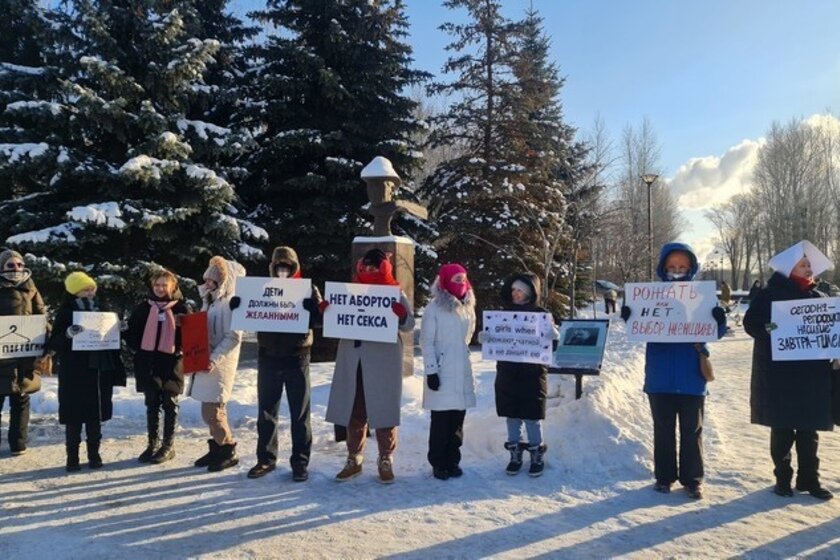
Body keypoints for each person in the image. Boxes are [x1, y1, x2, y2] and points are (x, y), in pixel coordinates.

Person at [620, 242, 727, 499]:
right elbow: (639, 327)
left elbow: (716, 333)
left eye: (682, 267)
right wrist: (630, 316)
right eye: (671, 267)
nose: (676, 271)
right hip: (660, 377)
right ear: (663, 268)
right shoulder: (651, 295)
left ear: (691, 268)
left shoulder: (701, 296)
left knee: (692, 431)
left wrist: (718, 319)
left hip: (691, 376)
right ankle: (664, 477)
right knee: (663, 430)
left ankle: (692, 479)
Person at [743, 240, 834, 500]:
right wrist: (773, 329)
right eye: (803, 264)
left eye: (810, 265)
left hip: (812, 376)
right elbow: (752, 324)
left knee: (809, 431)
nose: (809, 269)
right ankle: (783, 479)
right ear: (789, 268)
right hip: (780, 375)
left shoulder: (819, 297)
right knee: (782, 430)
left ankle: (809, 480)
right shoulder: (770, 294)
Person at [325, 248, 415, 484]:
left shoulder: (394, 292)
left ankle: (386, 458)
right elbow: (337, 319)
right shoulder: (350, 291)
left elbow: (409, 325)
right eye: (367, 266)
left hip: (383, 360)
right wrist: (328, 312)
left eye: (375, 266)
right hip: (355, 359)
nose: (370, 270)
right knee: (355, 409)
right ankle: (354, 458)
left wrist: (402, 315)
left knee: (383, 408)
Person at [235, 246, 323, 482]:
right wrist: (238, 307)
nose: (283, 271)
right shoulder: (262, 289)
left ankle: (300, 463)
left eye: (287, 267)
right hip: (269, 356)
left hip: (297, 356)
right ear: (273, 267)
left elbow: (322, 319)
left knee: (300, 415)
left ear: (294, 267)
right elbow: (250, 312)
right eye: (279, 266)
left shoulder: (307, 288)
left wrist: (313, 311)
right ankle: (265, 458)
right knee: (266, 412)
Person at [46, 272, 126, 471]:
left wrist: (118, 330)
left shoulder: (103, 310)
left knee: (95, 416)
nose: (91, 292)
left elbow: (110, 338)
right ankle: (72, 457)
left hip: (98, 370)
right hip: (74, 371)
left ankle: (94, 455)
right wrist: (67, 334)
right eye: (86, 289)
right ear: (75, 291)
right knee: (74, 416)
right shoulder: (65, 312)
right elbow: (54, 342)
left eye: (92, 288)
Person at [493, 272, 554, 477]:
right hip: (507, 373)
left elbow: (551, 346)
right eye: (513, 290)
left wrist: (553, 336)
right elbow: (498, 338)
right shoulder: (503, 315)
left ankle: (536, 454)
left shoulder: (541, 314)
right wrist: (488, 339)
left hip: (532, 374)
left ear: (529, 293)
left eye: (519, 290)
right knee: (512, 416)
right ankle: (515, 453)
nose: (515, 293)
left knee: (532, 416)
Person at [187, 256, 245, 472]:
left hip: (218, 365)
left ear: (223, 282)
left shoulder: (229, 304)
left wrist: (213, 359)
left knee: (214, 412)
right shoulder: (211, 301)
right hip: (206, 361)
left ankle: (228, 448)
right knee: (208, 410)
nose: (208, 284)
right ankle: (217, 448)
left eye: (213, 281)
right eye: (207, 280)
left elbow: (233, 337)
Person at [126, 269, 190, 464]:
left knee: (170, 402)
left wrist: (181, 348)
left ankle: (168, 445)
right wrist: (136, 349)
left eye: (164, 285)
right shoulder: (143, 308)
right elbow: (131, 332)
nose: (160, 288)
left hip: (171, 361)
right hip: (149, 362)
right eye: (157, 285)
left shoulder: (181, 308)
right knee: (152, 402)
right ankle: (152, 443)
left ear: (172, 287)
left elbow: (192, 336)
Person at [420, 263, 476, 480]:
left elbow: (468, 337)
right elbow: (427, 341)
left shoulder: (468, 307)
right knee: (441, 422)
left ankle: (453, 460)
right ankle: (438, 462)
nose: (461, 283)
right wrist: (432, 370)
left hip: (461, 369)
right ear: (445, 281)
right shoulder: (434, 308)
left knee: (457, 421)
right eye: (456, 279)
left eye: (463, 279)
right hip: (442, 372)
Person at [0, 249, 46, 456]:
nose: (16, 268)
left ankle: (18, 443)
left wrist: (47, 337)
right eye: (11, 265)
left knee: (21, 398)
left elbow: (41, 315)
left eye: (19, 264)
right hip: (1, 355)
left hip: (25, 355)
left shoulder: (31, 287)